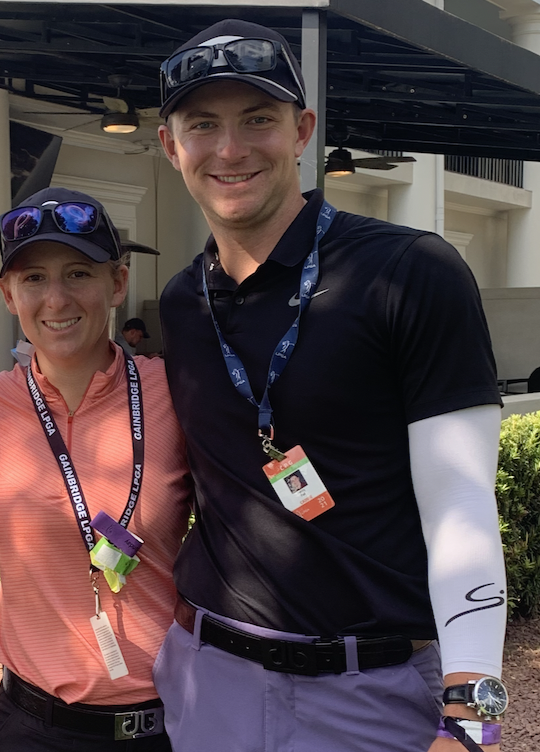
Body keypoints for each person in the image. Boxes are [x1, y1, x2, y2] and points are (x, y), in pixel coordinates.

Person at [153, 19, 508, 752]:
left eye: (258, 119)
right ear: (171, 146)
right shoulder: (182, 303)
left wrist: (473, 714)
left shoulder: (411, 272)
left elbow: (464, 503)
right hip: (208, 680)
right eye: (203, 125)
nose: (230, 148)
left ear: (303, 129)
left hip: (368, 696)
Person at [0, 186, 194, 751]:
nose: (56, 299)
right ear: (7, 294)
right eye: (33, 279)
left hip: (164, 727)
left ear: (116, 283)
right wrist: (36, 547)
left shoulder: (173, 392)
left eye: (78, 273)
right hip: (31, 727)